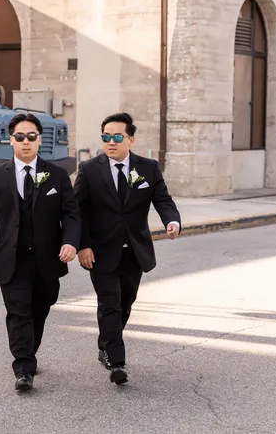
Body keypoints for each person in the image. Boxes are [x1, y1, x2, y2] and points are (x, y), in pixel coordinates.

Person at [0, 113, 80, 392]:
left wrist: (71, 242)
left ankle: (29, 351)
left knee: (39, 310)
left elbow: (70, 214)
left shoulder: (57, 174)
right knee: (17, 312)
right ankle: (23, 367)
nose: (25, 142)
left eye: (31, 136)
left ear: (39, 140)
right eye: (19, 137)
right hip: (12, 259)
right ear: (11, 141)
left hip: (47, 259)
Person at [73, 112, 181, 385]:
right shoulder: (89, 169)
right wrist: (82, 246)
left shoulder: (148, 168)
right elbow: (77, 211)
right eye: (106, 137)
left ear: (130, 140)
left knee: (125, 303)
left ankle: (106, 343)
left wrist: (172, 221)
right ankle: (116, 361)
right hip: (100, 250)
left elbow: (162, 199)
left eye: (117, 137)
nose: (110, 142)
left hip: (134, 250)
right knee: (109, 303)